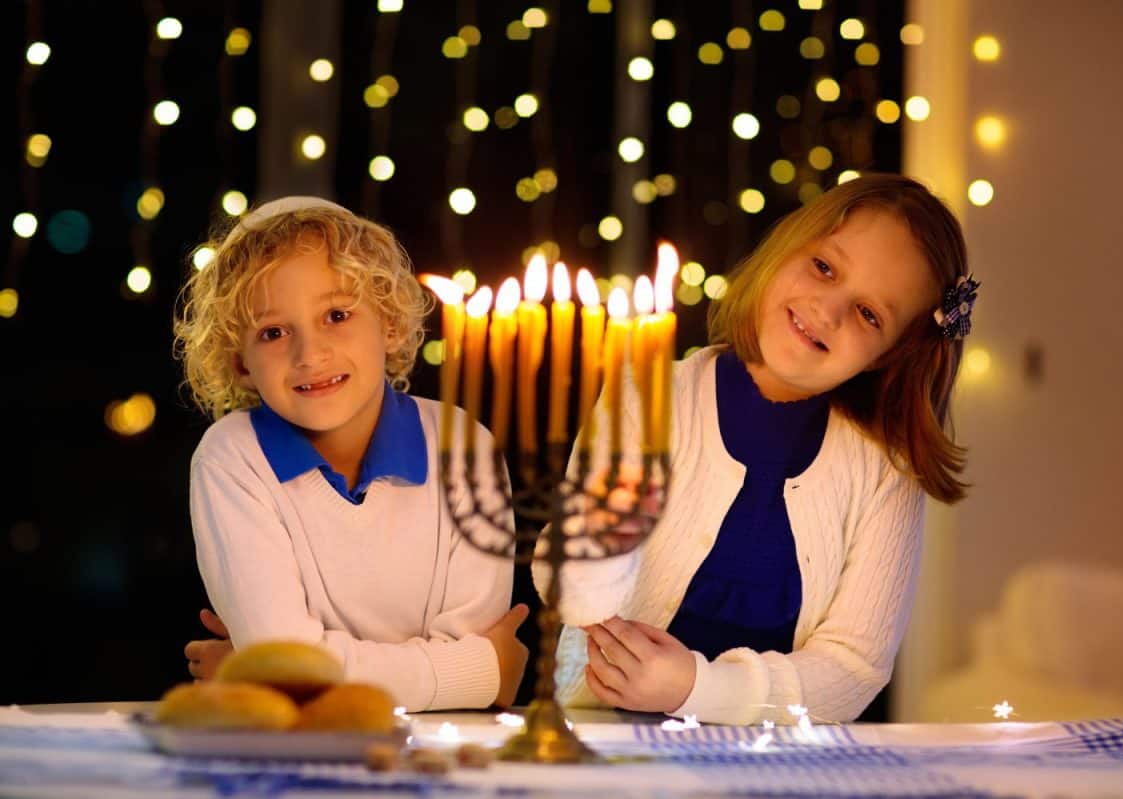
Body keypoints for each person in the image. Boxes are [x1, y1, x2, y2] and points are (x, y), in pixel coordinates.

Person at [539, 173, 978, 725]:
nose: (828, 310)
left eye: (869, 314)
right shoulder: (647, 397)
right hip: (599, 733)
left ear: (887, 356)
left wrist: (694, 688)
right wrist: (602, 539)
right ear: (785, 249)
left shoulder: (886, 469)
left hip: (777, 763)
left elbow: (856, 667)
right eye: (824, 267)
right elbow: (570, 595)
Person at [173, 196, 528, 710]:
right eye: (273, 332)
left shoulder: (462, 446)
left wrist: (285, 675)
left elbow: (291, 673)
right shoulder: (232, 459)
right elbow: (478, 675)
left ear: (388, 324)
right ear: (241, 363)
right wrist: (473, 673)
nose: (309, 355)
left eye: (337, 315)